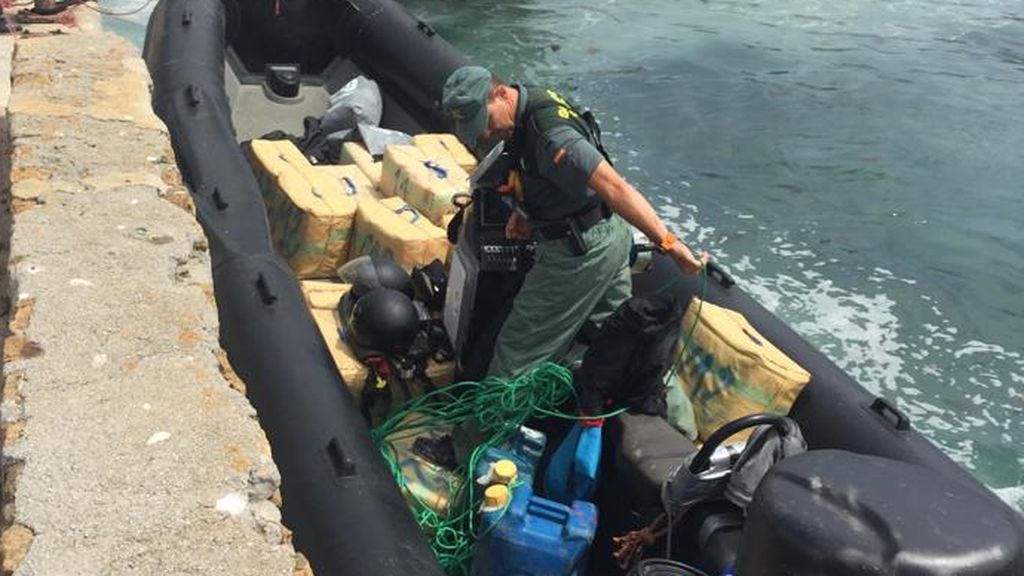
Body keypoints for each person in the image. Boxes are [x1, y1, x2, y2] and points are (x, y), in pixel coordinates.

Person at [442, 66, 707, 378]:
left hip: (578, 251)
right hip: (603, 238)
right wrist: (526, 213)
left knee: (516, 353)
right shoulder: (529, 106)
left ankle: (483, 427)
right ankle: (667, 414)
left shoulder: (552, 135)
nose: (485, 133)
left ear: (501, 94)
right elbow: (538, 171)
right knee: (620, 334)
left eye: (484, 120)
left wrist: (671, 245)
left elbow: (615, 187)